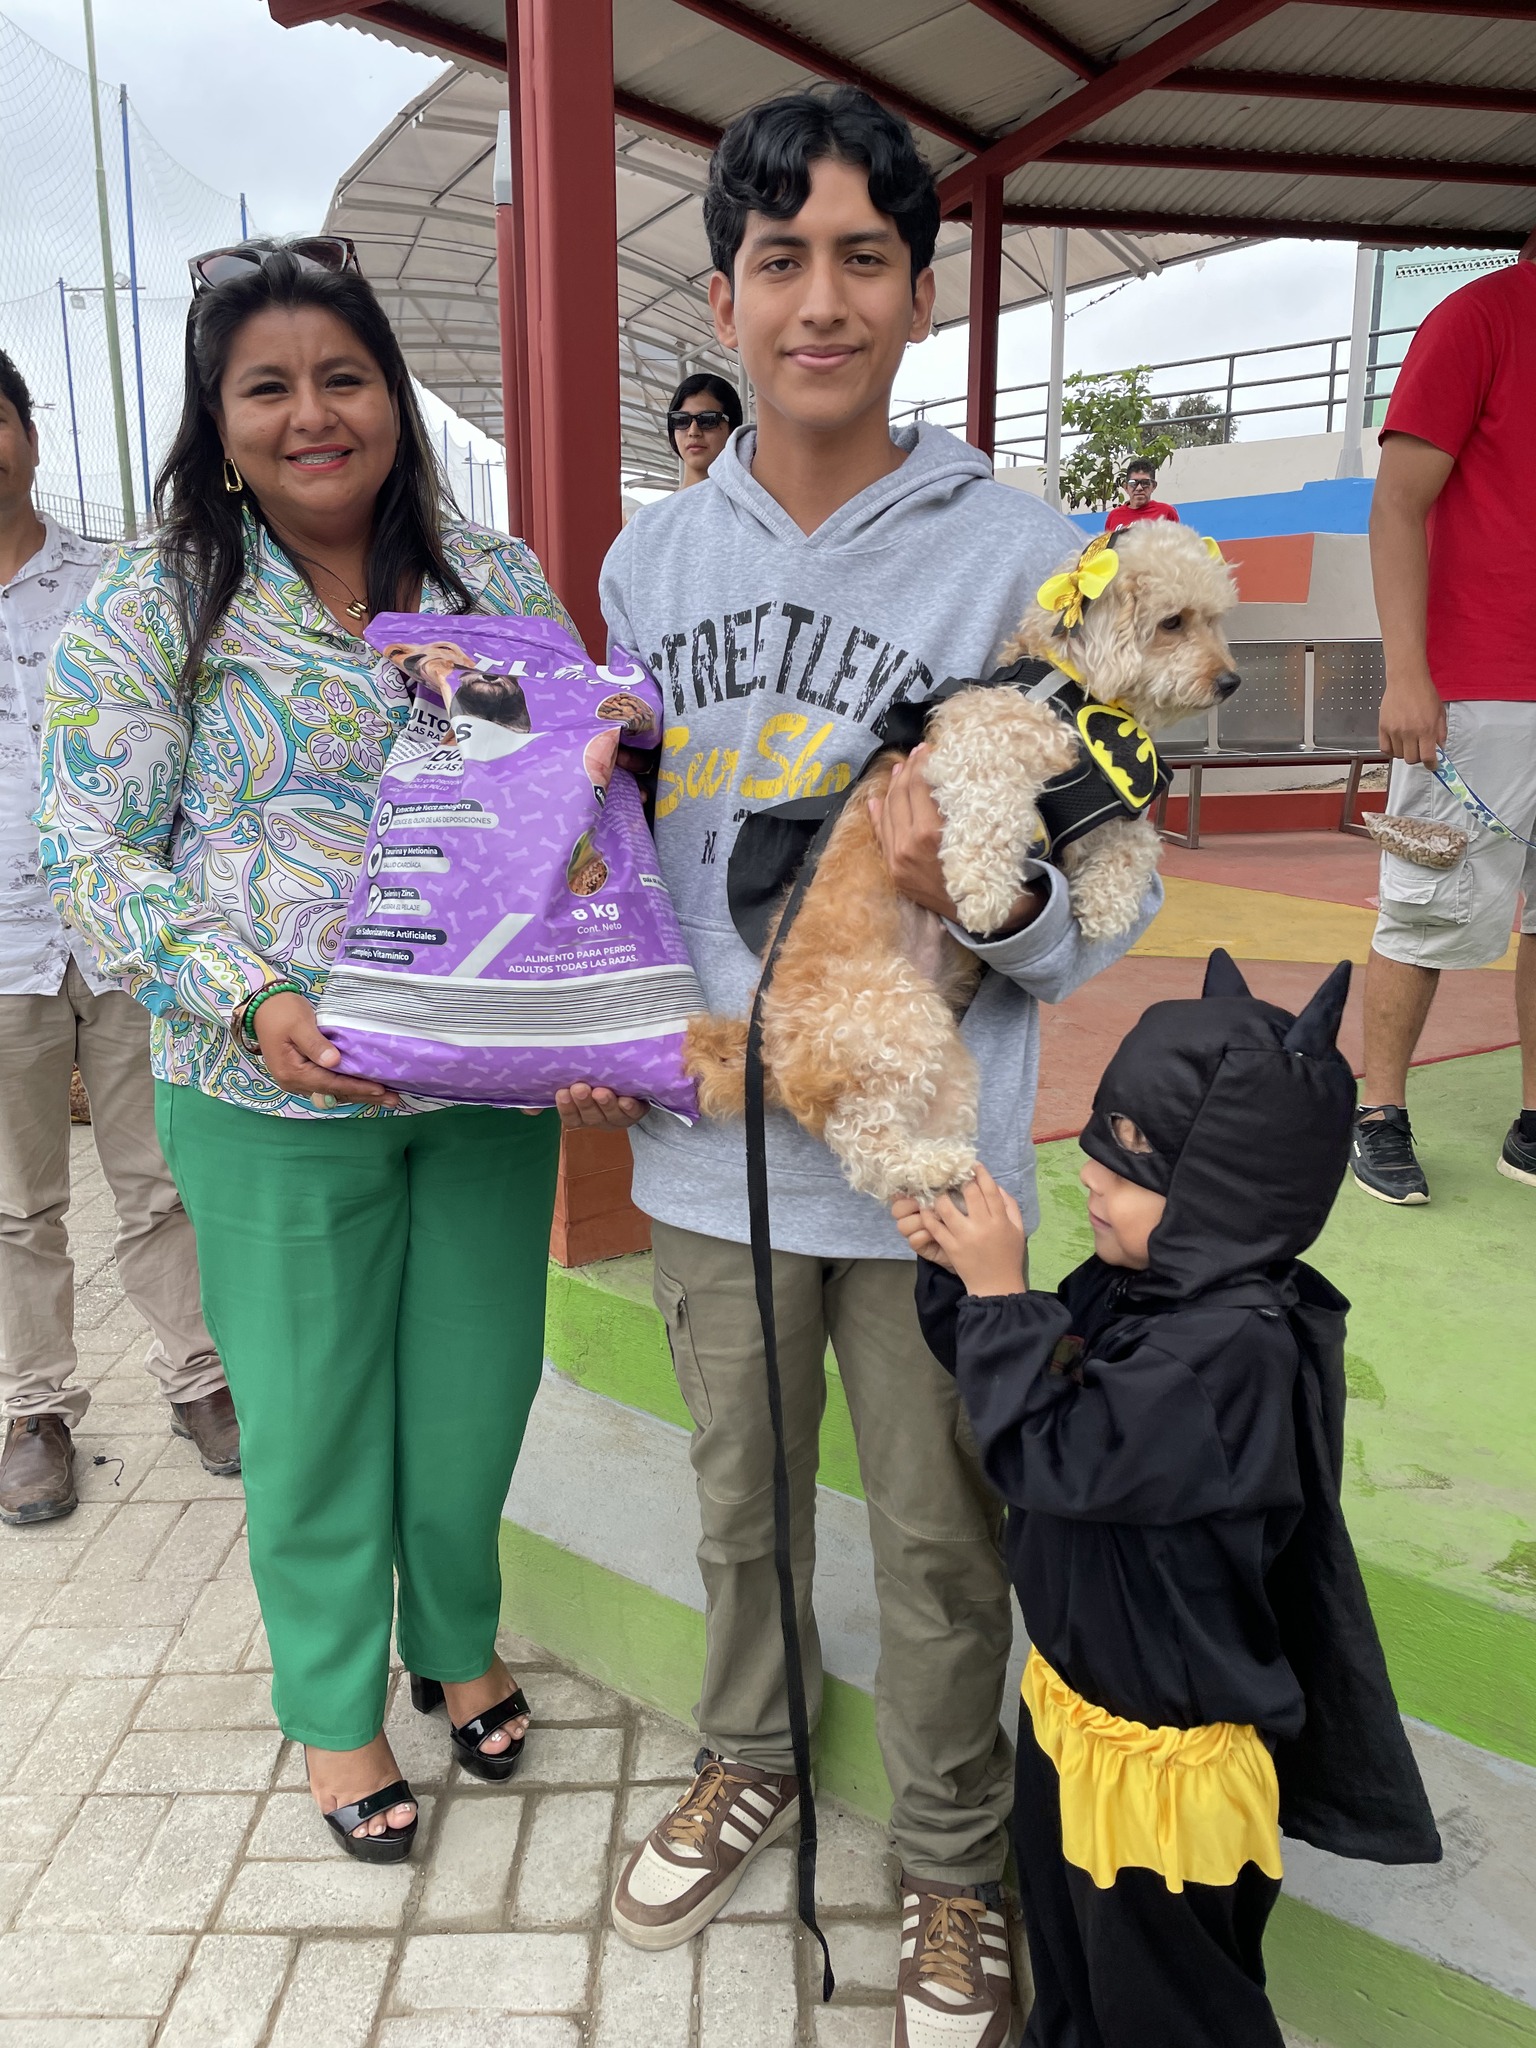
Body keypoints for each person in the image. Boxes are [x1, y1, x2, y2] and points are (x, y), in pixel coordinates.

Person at [588, 88, 1159, 2047]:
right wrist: (597, 1016)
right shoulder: (645, 566)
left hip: (934, 1167)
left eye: (861, 259)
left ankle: (950, 1861)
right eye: (779, 261)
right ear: (724, 298)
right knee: (737, 1506)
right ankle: (747, 1751)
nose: (818, 300)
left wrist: (988, 903)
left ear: (919, 292)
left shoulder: (1029, 560)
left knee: (940, 1535)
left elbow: (1112, 878)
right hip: (712, 1156)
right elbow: (621, 849)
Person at [38, 241, 567, 1859]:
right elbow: (92, 847)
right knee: (316, 1414)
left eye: (343, 377)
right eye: (267, 387)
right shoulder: (158, 601)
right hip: (261, 1090)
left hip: (480, 1083)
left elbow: (557, 794)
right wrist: (248, 991)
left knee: (473, 1396)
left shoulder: (488, 578)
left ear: (391, 396)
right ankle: (335, 1709)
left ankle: (455, 1639)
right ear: (218, 420)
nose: (312, 413)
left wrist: (590, 763)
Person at [897, 951, 1440, 2048]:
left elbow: (1055, 1453)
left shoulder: (1232, 1351)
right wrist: (963, 1286)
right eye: (1097, 1143)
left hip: (1163, 1770)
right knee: (1071, 1961)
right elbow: (1039, 1378)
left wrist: (1001, 1295)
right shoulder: (1139, 1287)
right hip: (1072, 1710)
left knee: (1172, 2008)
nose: (1091, 1177)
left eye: (1130, 1160)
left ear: (1227, 1191)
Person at [0, 347, 235, 1527]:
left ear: (29, 435)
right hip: (2, 953)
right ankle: (35, 1408)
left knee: (161, 1181)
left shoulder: (117, 586)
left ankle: (199, 1375)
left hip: (128, 934)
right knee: (16, 1204)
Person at [1352, 229, 1536, 1204]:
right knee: (1423, 910)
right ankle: (1379, 1111)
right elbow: (1396, 504)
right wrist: (1408, 675)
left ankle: (1535, 1119)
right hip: (1476, 691)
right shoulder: (1480, 317)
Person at [667, 372, 743, 488]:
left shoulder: (752, 498)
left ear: (732, 429)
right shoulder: (662, 503)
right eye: (681, 420)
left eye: (708, 420)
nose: (693, 432)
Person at [1103, 458, 1178, 534]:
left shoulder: (1166, 512)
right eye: (1133, 483)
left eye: (1145, 483)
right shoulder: (1113, 516)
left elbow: (1177, 540)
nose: (1139, 488)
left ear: (1154, 486)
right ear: (1126, 487)